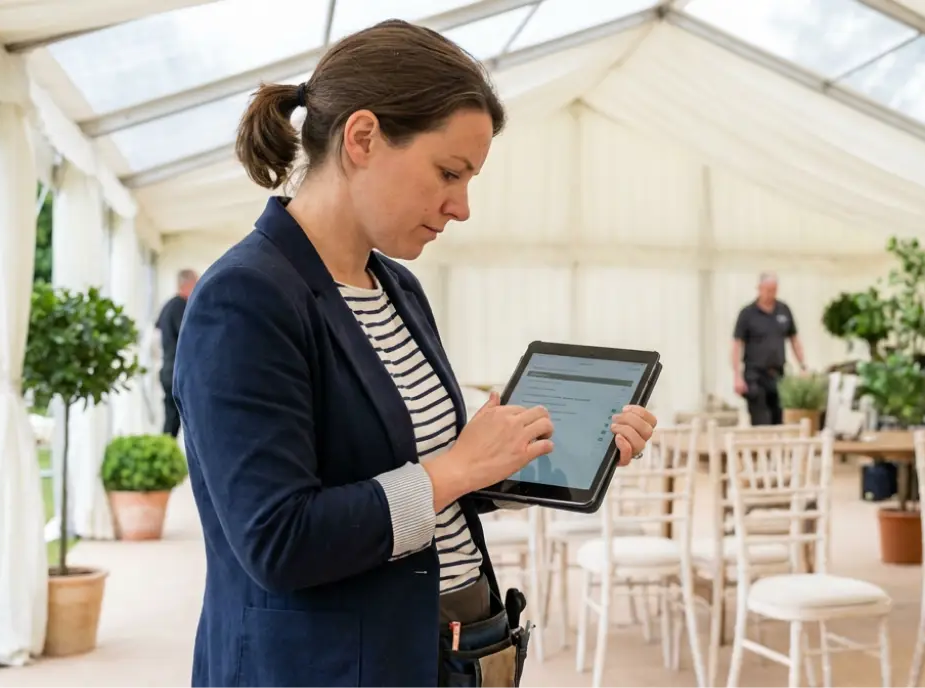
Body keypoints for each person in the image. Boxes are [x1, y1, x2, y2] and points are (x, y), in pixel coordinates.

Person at [171, 20, 657, 688]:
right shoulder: (246, 299)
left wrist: (556, 448)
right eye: (448, 173)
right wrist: (456, 467)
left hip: (444, 651)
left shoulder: (396, 286)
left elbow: (426, 480)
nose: (461, 206)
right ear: (363, 138)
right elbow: (279, 541)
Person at [732, 272, 807, 425]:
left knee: (778, 418)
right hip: (755, 375)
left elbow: (794, 340)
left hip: (778, 374)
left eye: (773, 290)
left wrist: (802, 365)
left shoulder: (784, 310)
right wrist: (737, 376)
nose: (770, 294)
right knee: (761, 419)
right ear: (759, 288)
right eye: (767, 290)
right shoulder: (747, 314)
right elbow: (736, 345)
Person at [155, 268, 196, 438]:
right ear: (187, 285)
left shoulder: (168, 306)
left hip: (167, 369)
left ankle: (166, 454)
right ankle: (166, 455)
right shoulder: (181, 306)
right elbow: (188, 336)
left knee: (171, 419)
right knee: (174, 421)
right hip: (175, 372)